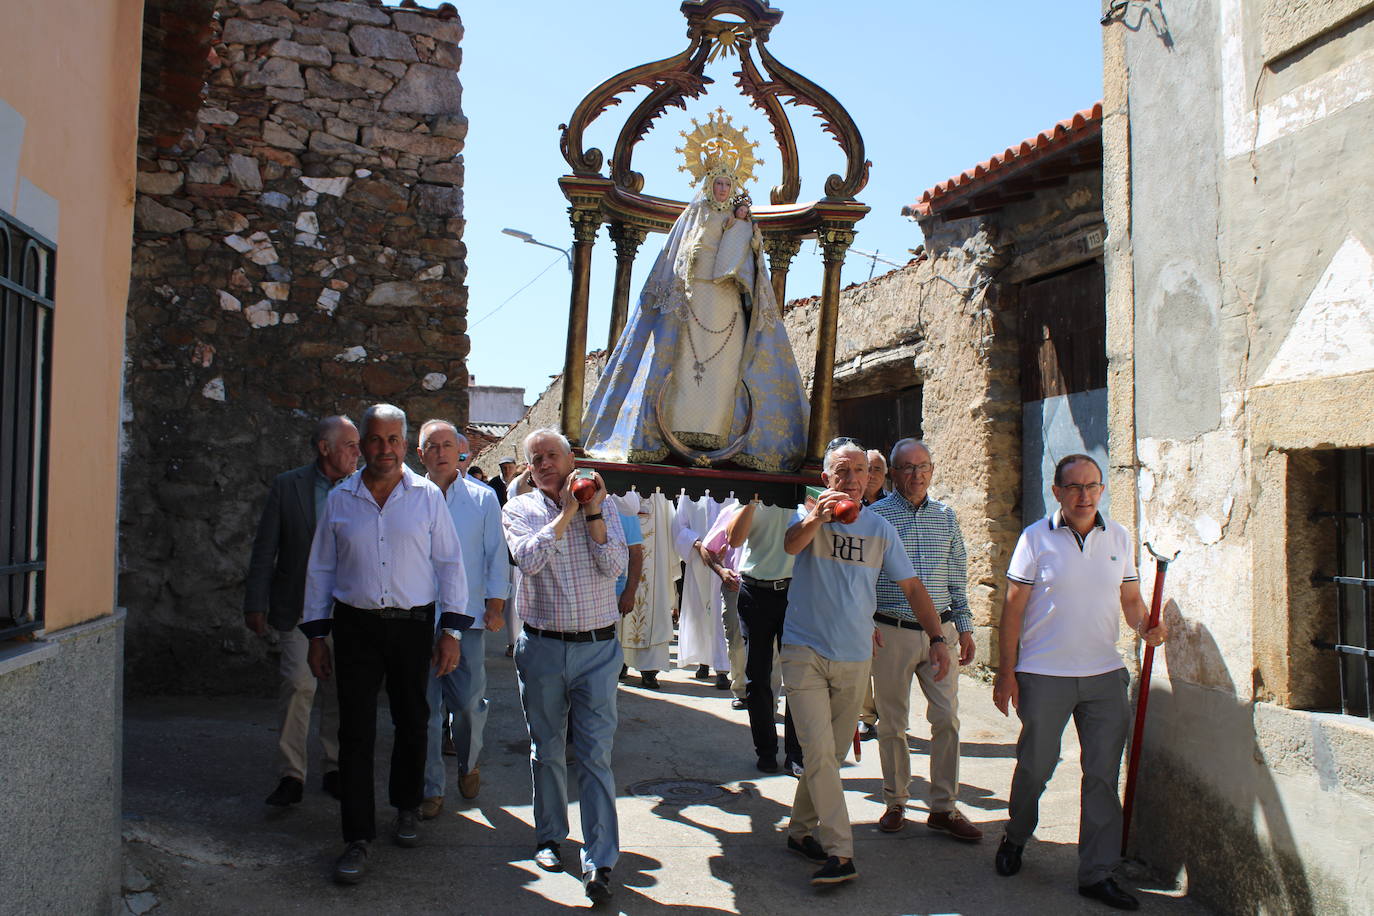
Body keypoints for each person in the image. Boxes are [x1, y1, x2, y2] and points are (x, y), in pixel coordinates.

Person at [301, 404, 470, 886]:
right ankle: (356, 836)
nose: (385, 450)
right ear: (363, 444)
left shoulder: (425, 498)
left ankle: (407, 807)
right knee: (354, 732)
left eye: (394, 440)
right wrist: (317, 635)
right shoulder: (340, 499)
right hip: (355, 628)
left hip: (412, 627)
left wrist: (451, 632)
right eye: (375, 440)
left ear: (404, 443)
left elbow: (450, 565)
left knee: (413, 721)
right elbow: (321, 569)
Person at [992, 454, 1167, 911]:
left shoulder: (1120, 537)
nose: (1084, 495)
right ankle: (1015, 835)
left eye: (1092, 486)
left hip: (1104, 676)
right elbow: (1012, 611)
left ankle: (1096, 873)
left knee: (1102, 777)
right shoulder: (1035, 538)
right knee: (1035, 765)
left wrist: (1147, 625)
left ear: (1102, 489)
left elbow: (1130, 599)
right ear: (1057, 492)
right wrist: (1005, 672)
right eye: (1074, 487)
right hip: (1044, 674)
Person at [780, 439, 951, 886]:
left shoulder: (879, 529)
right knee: (817, 753)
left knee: (831, 756)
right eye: (842, 472)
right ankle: (841, 851)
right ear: (826, 478)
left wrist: (938, 637)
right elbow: (790, 546)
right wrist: (817, 516)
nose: (852, 480)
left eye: (860, 471)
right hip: (805, 652)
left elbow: (913, 588)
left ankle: (799, 831)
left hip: (855, 656)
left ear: (870, 477)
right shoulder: (808, 514)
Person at [579, 168, 809, 472]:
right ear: (709, 185)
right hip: (694, 298)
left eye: (728, 184)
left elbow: (754, 261)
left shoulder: (741, 220)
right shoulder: (693, 216)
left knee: (726, 371)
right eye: (719, 183)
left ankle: (719, 434)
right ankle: (677, 428)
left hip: (727, 300)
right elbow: (678, 257)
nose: (724, 189)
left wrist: (745, 232)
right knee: (684, 366)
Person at [503, 428, 627, 903]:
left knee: (596, 754)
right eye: (536, 460)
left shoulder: (605, 504)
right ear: (530, 470)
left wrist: (591, 510)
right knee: (548, 748)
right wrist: (567, 515)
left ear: (571, 458)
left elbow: (613, 564)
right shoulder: (519, 510)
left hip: (597, 648)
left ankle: (599, 859)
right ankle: (551, 837)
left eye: (553, 455)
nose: (546, 464)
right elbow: (528, 561)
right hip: (543, 648)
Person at [868, 439, 981, 841]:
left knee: (947, 718)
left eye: (923, 467)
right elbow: (864, 580)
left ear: (932, 470)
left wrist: (965, 629)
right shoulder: (875, 518)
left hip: (941, 636)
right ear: (893, 473)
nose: (916, 475)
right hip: (891, 632)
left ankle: (944, 807)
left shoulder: (947, 518)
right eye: (907, 468)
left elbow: (956, 580)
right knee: (893, 722)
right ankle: (895, 801)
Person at [246, 415, 359, 807]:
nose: (357, 453)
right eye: (349, 445)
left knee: (341, 691)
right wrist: (255, 602)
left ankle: (335, 766)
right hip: (298, 605)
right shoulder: (287, 486)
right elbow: (266, 548)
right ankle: (291, 774)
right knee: (299, 683)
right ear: (324, 448)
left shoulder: (364, 488)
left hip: (348, 608)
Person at [415, 422, 507, 818]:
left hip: (467, 617)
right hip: (417, 618)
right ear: (420, 454)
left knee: (468, 704)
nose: (440, 452)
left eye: (446, 445)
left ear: (460, 451)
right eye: (431, 446)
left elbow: (495, 555)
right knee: (426, 710)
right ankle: (430, 788)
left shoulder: (482, 498)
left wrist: (496, 605)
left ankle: (468, 763)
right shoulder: (408, 496)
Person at [728, 496, 804, 774]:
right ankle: (766, 750)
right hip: (754, 591)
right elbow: (734, 540)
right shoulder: (749, 497)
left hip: (793, 592)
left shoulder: (798, 494)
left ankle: (796, 752)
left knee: (797, 677)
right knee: (757, 677)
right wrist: (750, 503)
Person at [700, 504, 749, 705]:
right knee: (737, 643)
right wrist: (721, 571)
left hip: (770, 589)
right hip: (735, 588)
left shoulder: (782, 510)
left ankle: (767, 698)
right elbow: (707, 548)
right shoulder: (732, 511)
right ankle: (741, 690)